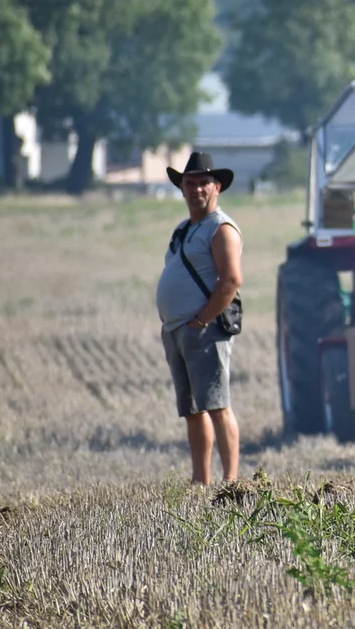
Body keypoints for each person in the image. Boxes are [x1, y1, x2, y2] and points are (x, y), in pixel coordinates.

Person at [156, 151, 243, 486]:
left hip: (203, 329)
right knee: (193, 410)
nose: (195, 190)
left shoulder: (221, 229)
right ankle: (200, 482)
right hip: (178, 329)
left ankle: (231, 481)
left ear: (217, 187)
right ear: (181, 189)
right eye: (189, 183)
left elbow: (231, 281)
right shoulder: (183, 229)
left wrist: (202, 321)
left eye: (203, 183)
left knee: (218, 405)